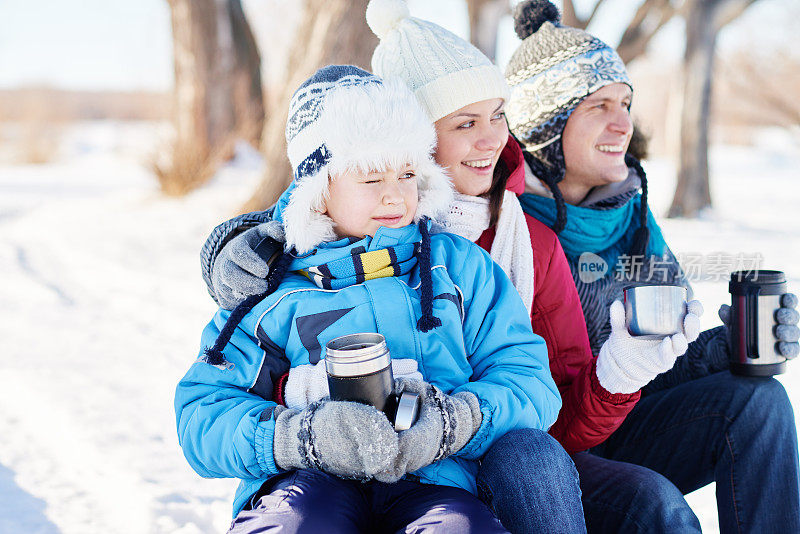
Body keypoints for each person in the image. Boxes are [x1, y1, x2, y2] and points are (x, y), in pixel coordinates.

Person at [197, 1, 705, 532]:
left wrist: (619, 372)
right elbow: (217, 390)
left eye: (498, 117)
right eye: (466, 122)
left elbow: (539, 392)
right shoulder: (289, 258)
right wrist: (296, 415)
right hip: (319, 479)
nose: (493, 140)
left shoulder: (503, 249)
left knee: (601, 481)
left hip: (464, 464)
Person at [175, 64, 564, 534]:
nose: (395, 196)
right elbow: (204, 410)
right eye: (370, 178)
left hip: (436, 479)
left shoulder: (459, 268)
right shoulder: (273, 289)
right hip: (306, 482)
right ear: (320, 190)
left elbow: (527, 378)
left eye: (405, 174)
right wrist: (298, 438)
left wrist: (454, 421)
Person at [503, 1, 800, 532]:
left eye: (626, 102)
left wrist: (722, 346)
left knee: (760, 400)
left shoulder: (631, 212)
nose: (623, 123)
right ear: (546, 127)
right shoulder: (508, 232)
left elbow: (658, 359)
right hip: (547, 452)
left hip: (626, 420)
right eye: (599, 106)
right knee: (654, 500)